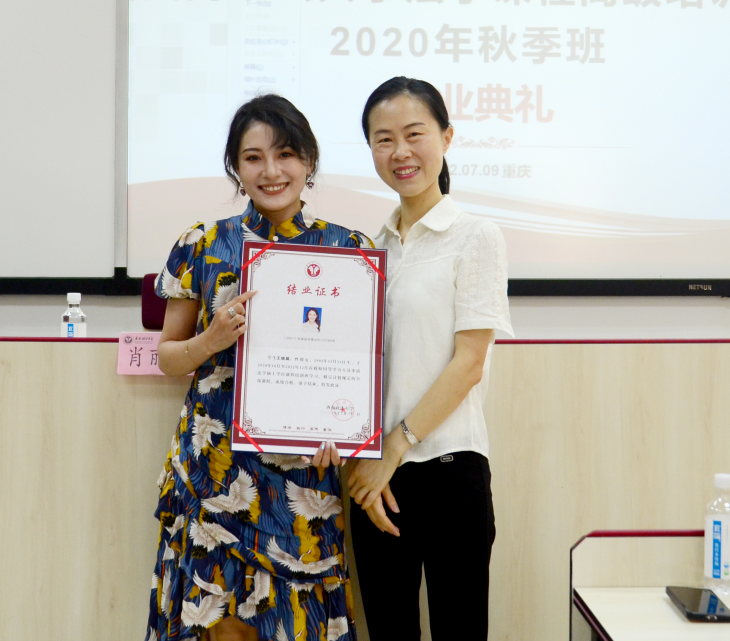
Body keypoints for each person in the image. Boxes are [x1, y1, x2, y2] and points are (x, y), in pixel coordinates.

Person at [146, 94, 370, 641]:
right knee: (215, 627)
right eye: (253, 158)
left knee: (298, 627)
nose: (271, 171)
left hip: (302, 479)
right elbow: (168, 355)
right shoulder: (203, 243)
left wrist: (347, 432)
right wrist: (211, 339)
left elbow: (361, 368)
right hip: (216, 471)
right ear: (235, 167)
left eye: (286, 154)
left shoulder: (349, 250)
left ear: (309, 161)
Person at [345, 77, 513, 640]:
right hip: (376, 479)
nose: (401, 152)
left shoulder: (475, 236)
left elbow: (469, 363)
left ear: (446, 137)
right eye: (383, 139)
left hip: (449, 471)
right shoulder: (370, 249)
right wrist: (363, 463)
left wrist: (393, 449)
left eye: (414, 134)